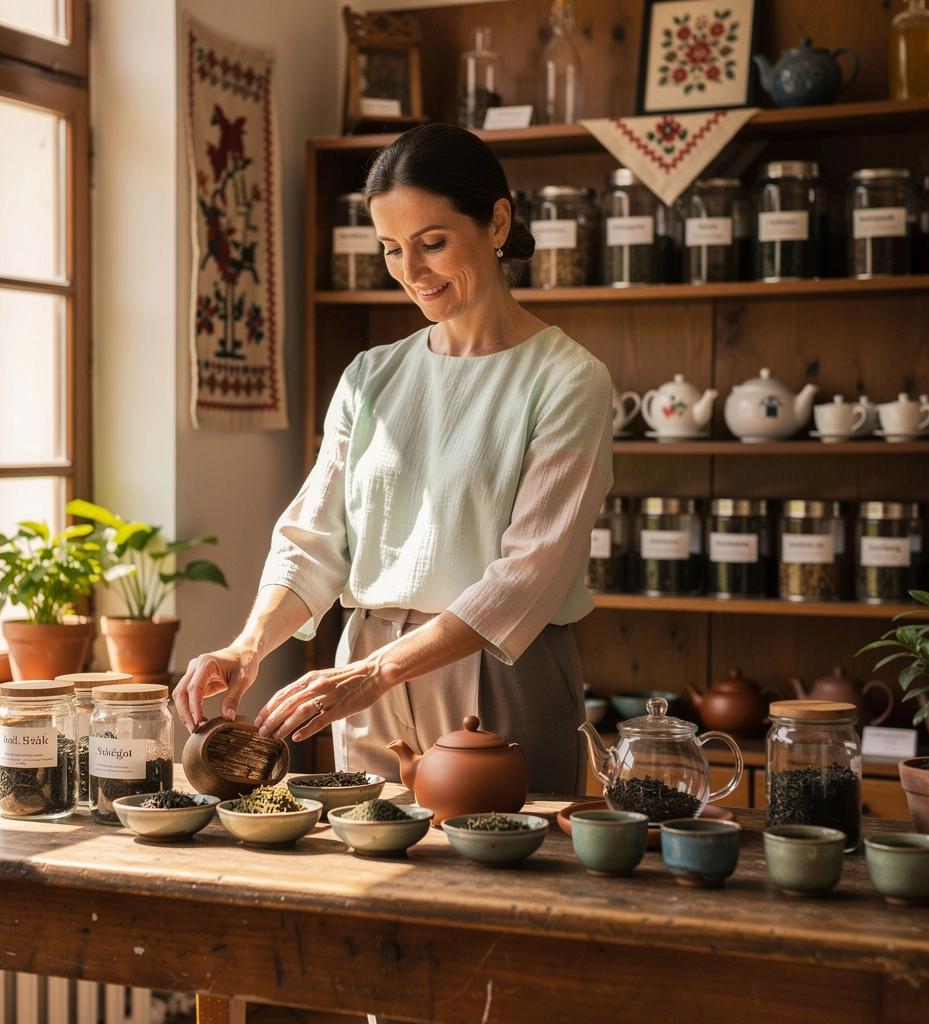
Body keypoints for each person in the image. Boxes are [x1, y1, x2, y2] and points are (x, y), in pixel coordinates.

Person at [174, 123, 613, 793]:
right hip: (365, 672)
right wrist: (249, 645)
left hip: (494, 669)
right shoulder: (370, 377)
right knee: (372, 877)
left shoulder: (567, 379)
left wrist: (375, 674)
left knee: (499, 882)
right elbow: (315, 540)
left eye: (433, 243)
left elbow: (528, 576)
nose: (412, 273)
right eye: (391, 250)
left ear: (497, 222)